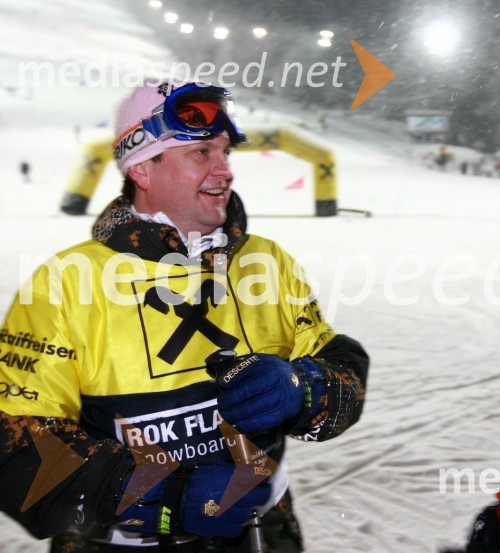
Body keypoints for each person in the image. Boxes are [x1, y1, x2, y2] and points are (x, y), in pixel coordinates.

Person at [0, 80, 369, 552]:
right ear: (142, 170)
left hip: (262, 533)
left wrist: (305, 388)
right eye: (201, 154)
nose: (224, 171)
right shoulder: (65, 282)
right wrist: (161, 496)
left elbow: (343, 376)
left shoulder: (266, 261)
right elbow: (17, 446)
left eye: (225, 153)